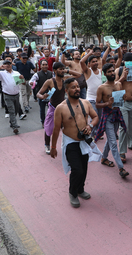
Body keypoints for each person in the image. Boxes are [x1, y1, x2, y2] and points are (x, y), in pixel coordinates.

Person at [50, 78, 101, 208]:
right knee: (77, 169)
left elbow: (95, 117)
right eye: (73, 87)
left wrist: (90, 126)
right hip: (70, 143)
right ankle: (72, 193)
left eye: (77, 86)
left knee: (84, 168)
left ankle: (80, 189)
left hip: (84, 141)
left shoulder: (86, 103)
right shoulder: (61, 108)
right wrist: (53, 147)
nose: (77, 89)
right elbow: (56, 129)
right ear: (66, 91)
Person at [37, 62, 81, 155]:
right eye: (60, 69)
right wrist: (42, 97)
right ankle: (47, 145)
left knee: (67, 127)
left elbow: (78, 75)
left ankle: (68, 145)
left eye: (63, 69)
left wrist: (67, 70)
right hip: (53, 108)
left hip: (63, 108)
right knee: (49, 129)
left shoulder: (65, 79)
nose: (62, 71)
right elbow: (38, 93)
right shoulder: (49, 81)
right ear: (55, 70)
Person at [94, 63, 129, 177]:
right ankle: (121, 168)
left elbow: (123, 98)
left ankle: (104, 158)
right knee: (113, 143)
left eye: (113, 71)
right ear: (105, 74)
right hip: (107, 117)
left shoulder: (119, 84)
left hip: (117, 115)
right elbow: (97, 104)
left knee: (111, 140)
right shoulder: (102, 88)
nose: (112, 73)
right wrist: (107, 103)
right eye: (109, 71)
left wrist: (124, 98)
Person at [115, 52, 132, 163]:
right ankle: (122, 152)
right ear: (124, 62)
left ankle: (130, 143)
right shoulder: (118, 71)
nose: (130, 63)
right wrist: (122, 77)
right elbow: (114, 85)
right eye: (127, 61)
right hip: (123, 102)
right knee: (123, 127)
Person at [0, 59, 25, 134]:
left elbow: (23, 83)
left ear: (11, 65)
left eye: (9, 64)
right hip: (7, 95)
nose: (8, 65)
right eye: (6, 64)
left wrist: (22, 79)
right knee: (11, 111)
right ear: (4, 65)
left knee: (15, 111)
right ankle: (15, 127)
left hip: (16, 95)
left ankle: (12, 122)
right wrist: (0, 67)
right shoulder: (2, 73)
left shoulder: (16, 73)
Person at [81, 50, 103, 138]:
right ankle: (91, 135)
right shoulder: (88, 71)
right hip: (91, 99)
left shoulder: (101, 71)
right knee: (95, 117)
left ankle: (96, 133)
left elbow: (104, 60)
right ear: (89, 64)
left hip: (100, 99)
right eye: (93, 62)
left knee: (100, 118)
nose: (95, 63)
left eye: (96, 61)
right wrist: (89, 53)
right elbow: (82, 61)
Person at [30, 59, 53, 127]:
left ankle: (50, 121)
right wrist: (34, 83)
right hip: (41, 95)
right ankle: (43, 122)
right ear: (40, 66)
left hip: (50, 94)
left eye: (46, 64)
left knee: (51, 109)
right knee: (42, 110)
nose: (45, 66)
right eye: (43, 65)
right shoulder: (37, 74)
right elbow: (31, 82)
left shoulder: (51, 73)